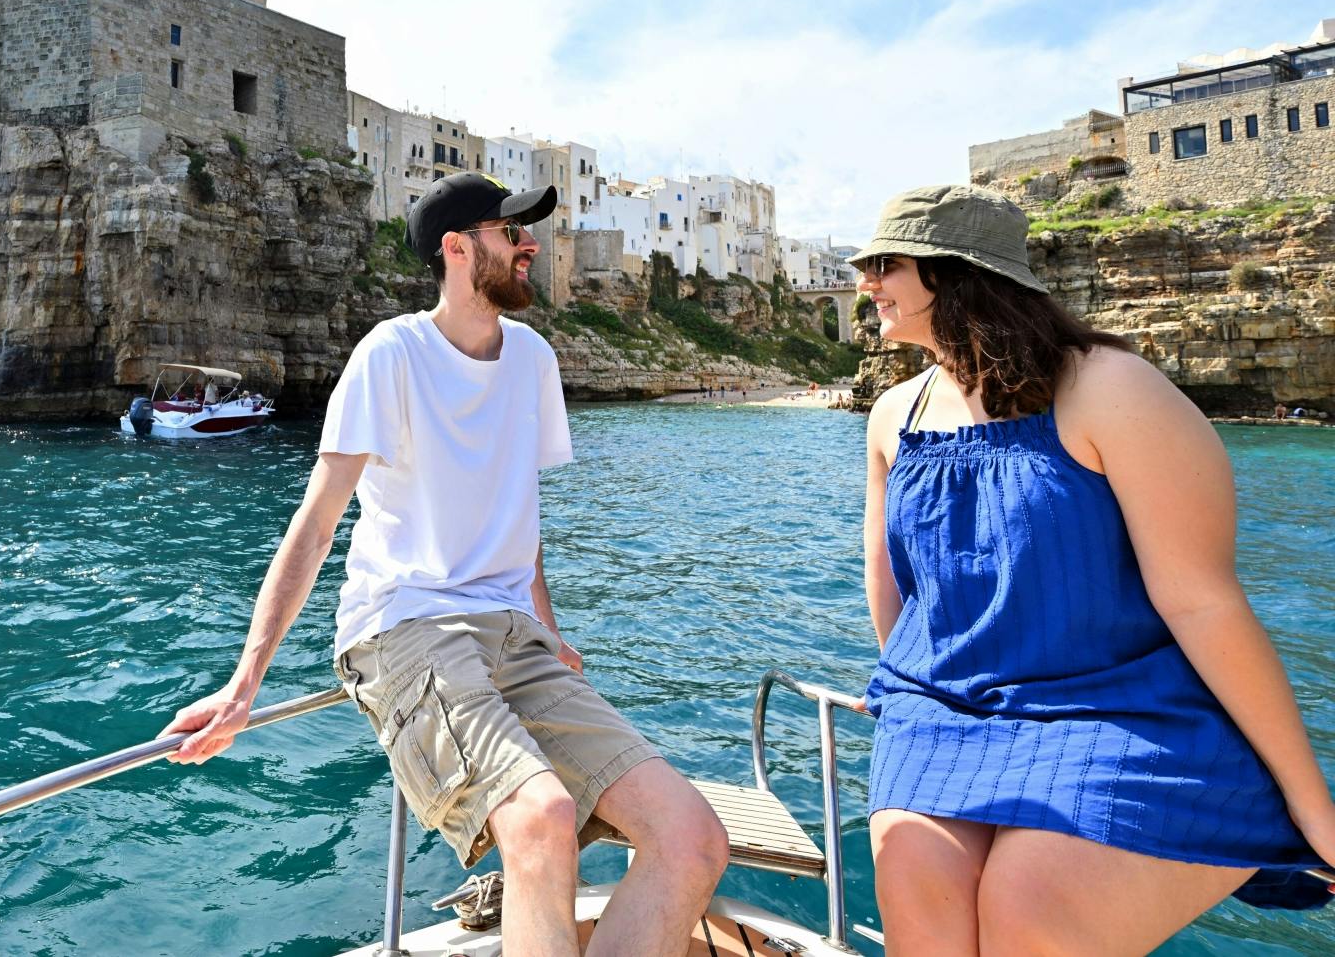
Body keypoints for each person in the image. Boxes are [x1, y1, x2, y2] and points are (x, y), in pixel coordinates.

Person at [160, 172, 727, 954]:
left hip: (514, 637)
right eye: (510, 231)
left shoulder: (531, 359)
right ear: (458, 250)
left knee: (692, 837)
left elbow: (517, 524)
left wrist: (550, 635)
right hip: (406, 628)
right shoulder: (391, 353)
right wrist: (244, 682)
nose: (530, 244)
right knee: (541, 819)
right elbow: (317, 522)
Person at [853, 185, 1332, 955]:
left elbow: (1202, 602)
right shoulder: (893, 414)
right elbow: (893, 593)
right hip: (941, 708)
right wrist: (911, 704)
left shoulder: (1108, 389)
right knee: (914, 875)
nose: (863, 282)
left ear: (959, 272)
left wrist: (1315, 806)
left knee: (1028, 908)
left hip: (1111, 707)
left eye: (885, 262)